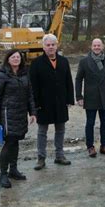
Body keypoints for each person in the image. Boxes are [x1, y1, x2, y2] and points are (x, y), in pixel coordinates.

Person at [0, 50, 37, 188]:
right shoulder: (2, 75)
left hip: (20, 113)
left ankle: (13, 170)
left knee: (16, 141)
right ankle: (2, 175)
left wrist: (32, 112)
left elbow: (30, 95)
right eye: (13, 57)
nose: (16, 59)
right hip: (7, 114)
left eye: (18, 57)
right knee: (9, 142)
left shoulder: (24, 74)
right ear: (8, 59)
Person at [29, 33, 74, 170]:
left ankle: (59, 156)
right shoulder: (36, 64)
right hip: (43, 103)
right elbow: (33, 86)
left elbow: (68, 82)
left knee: (60, 129)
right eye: (48, 45)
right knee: (42, 131)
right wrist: (34, 106)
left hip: (60, 102)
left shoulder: (64, 61)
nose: (50, 47)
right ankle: (41, 158)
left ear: (57, 45)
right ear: (43, 47)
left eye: (53, 44)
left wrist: (69, 100)